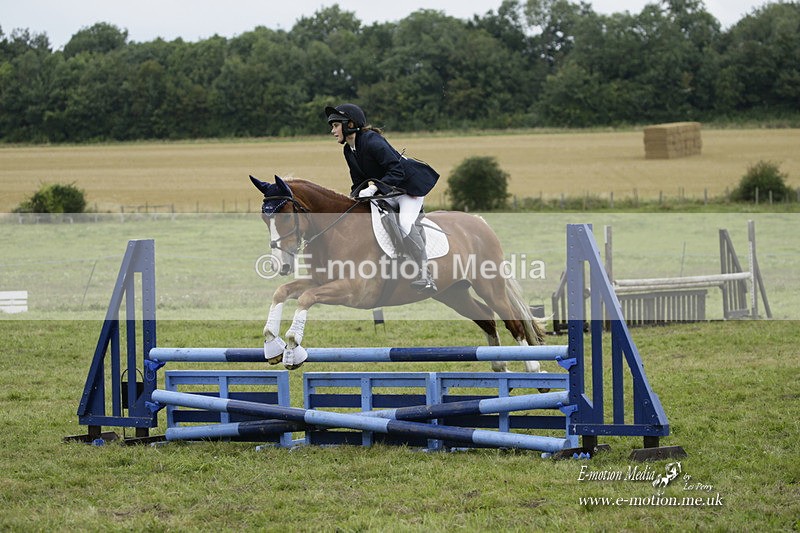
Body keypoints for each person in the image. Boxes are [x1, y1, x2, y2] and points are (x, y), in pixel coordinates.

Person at [325, 103, 439, 294]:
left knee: (404, 224)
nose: (333, 131)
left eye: (336, 125)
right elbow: (358, 181)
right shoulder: (349, 150)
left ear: (350, 124)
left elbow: (397, 170)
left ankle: (425, 275)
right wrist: (352, 200)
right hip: (388, 191)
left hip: (408, 189)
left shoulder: (372, 141)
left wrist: (374, 188)